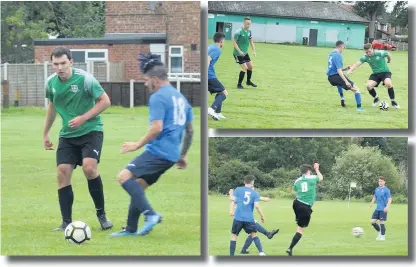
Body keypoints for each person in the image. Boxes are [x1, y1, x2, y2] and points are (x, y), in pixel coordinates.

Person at [110, 53, 193, 237]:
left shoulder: (158, 97)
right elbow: (190, 131)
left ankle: (151, 215)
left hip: (159, 152)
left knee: (123, 177)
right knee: (138, 186)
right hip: (171, 156)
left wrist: (136, 145)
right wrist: (182, 155)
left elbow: (156, 128)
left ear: (155, 80)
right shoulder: (182, 99)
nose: (145, 84)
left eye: (146, 80)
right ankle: (131, 229)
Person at [43, 47, 113, 231]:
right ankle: (66, 222)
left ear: (71, 62)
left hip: (91, 130)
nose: (60, 67)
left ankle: (102, 214)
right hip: (68, 134)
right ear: (52, 65)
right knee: (62, 172)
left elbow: (105, 101)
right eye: (56, 64)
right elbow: (52, 107)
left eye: (63, 63)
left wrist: (84, 117)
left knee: (89, 168)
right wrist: (45, 133)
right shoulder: (51, 83)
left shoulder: (85, 79)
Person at [286, 162, 323, 256]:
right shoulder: (312, 178)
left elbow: (294, 189)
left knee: (299, 217)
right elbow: (321, 178)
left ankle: (297, 218)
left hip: (296, 203)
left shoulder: (297, 180)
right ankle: (290, 248)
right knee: (300, 229)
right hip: (305, 207)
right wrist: (317, 169)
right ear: (308, 171)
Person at [348, 43, 399, 109]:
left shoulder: (379, 53)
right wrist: (351, 70)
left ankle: (393, 101)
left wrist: (389, 60)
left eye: (369, 51)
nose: (368, 53)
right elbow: (357, 64)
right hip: (376, 74)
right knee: (368, 86)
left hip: (385, 72)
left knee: (388, 83)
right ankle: (376, 98)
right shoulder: (365, 57)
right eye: (366, 52)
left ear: (372, 49)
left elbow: (388, 54)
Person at [228, 189, 279, 254]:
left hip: (239, 218)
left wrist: (231, 193)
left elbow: (232, 198)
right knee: (253, 233)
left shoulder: (240, 194)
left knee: (250, 233)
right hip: (247, 218)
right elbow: (261, 199)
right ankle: (267, 235)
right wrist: (268, 199)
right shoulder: (252, 194)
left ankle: (243, 250)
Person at [229, 175, 266, 256]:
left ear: (244, 182)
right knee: (254, 235)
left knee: (234, 236)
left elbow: (233, 199)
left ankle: (231, 256)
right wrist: (262, 216)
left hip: (238, 217)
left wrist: (230, 194)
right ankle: (261, 253)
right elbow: (257, 206)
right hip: (249, 219)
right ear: (252, 182)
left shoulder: (238, 189)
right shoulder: (254, 193)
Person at [327, 40, 363, 111]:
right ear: (341, 47)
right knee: (356, 89)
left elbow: (335, 68)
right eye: (343, 47)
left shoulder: (331, 54)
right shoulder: (338, 55)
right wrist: (346, 81)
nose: (343, 49)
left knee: (339, 84)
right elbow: (339, 71)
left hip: (330, 77)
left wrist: (346, 68)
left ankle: (342, 98)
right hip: (336, 76)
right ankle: (359, 108)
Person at [208, 32, 228, 121]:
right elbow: (207, 60)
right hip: (209, 76)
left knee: (219, 92)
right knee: (224, 93)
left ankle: (217, 113)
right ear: (221, 41)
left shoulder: (210, 47)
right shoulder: (217, 49)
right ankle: (212, 109)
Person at [233, 17, 257, 89]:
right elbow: (234, 42)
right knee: (245, 68)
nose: (248, 25)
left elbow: (251, 41)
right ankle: (239, 84)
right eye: (247, 24)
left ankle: (248, 81)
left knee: (250, 67)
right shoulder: (238, 32)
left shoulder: (249, 32)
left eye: (249, 24)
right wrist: (240, 51)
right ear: (244, 23)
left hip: (245, 53)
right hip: (238, 53)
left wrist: (254, 50)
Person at [369, 176, 392, 241]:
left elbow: (389, 199)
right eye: (379, 181)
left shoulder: (387, 190)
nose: (380, 182)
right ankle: (379, 232)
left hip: (383, 209)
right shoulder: (377, 189)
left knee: (381, 222)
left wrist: (387, 207)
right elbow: (374, 197)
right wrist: (371, 203)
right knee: (372, 222)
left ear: (384, 182)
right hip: (377, 209)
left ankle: (383, 236)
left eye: (381, 181)